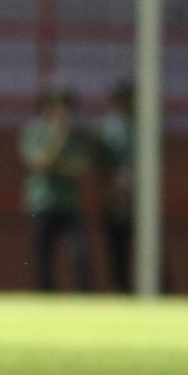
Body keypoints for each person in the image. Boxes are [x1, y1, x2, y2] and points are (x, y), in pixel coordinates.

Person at [19, 86, 92, 291]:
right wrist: (57, 137)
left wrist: (57, 165)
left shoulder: (78, 134)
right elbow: (39, 163)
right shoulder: (34, 130)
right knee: (43, 256)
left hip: (69, 204)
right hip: (42, 202)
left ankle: (85, 298)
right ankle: (45, 297)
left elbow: (82, 167)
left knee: (80, 254)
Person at [95, 80, 134, 292]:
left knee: (150, 249)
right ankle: (120, 290)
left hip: (139, 198)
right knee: (116, 247)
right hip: (114, 195)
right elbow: (101, 165)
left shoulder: (143, 126)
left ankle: (160, 290)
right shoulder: (108, 128)